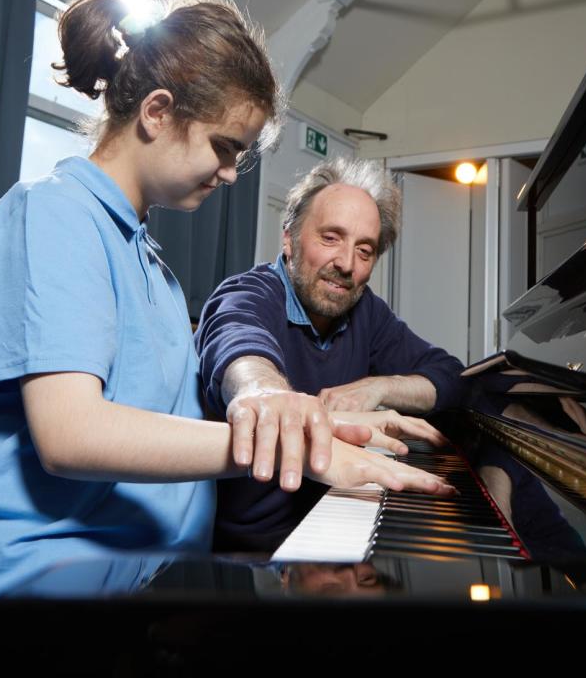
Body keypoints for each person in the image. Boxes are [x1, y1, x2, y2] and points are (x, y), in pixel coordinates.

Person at [0, 0, 449, 678]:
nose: (227, 173)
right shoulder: (53, 215)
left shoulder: (150, 265)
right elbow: (71, 433)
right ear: (157, 112)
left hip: (126, 600)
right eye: (223, 148)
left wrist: (315, 429)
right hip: (19, 611)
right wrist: (281, 445)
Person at [195, 156, 469, 551]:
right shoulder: (248, 294)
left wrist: (379, 387)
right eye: (330, 238)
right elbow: (239, 345)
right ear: (288, 238)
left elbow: (451, 377)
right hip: (250, 556)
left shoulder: (366, 311)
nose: (346, 264)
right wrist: (267, 394)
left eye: (365, 250)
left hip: (336, 522)